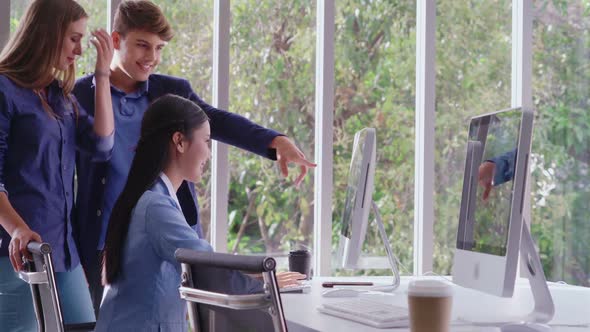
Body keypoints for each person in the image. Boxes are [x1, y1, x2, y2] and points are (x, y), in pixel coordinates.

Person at [72, 0, 316, 313]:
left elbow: (217, 121)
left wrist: (274, 141)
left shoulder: (171, 91)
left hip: (166, 237)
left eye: (159, 48)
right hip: (104, 243)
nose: (152, 58)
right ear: (116, 41)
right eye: (143, 46)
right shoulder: (81, 94)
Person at [96, 94, 304, 331]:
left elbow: (204, 265)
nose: (209, 153)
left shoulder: (153, 198)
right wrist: (267, 285)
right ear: (180, 142)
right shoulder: (156, 207)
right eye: (206, 141)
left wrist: (259, 279)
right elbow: (207, 268)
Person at [0, 0, 114, 330]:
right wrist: (17, 229)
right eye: (74, 38)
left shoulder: (58, 96)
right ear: (48, 34)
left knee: (86, 326)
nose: (80, 50)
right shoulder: (5, 90)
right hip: (18, 254)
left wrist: (103, 76)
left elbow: (102, 146)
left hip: (63, 252)